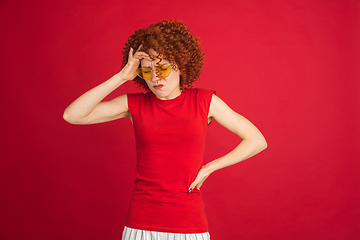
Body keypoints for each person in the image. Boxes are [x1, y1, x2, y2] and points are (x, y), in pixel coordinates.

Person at [63, 19, 267, 240]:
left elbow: (256, 140)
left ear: (181, 64)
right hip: (142, 221)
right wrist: (121, 77)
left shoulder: (204, 101)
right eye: (147, 71)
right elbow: (72, 115)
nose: (156, 77)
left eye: (162, 68)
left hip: (188, 221)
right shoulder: (134, 104)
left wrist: (209, 168)